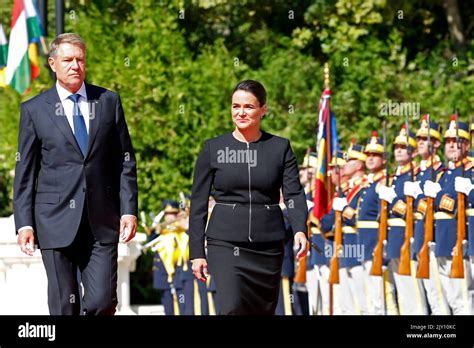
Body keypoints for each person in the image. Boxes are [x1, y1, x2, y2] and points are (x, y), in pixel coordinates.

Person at [13, 33, 138, 315]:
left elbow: (125, 160)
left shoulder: (108, 101)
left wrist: (129, 210)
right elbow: (25, 171)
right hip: (54, 221)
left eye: (80, 59)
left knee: (102, 302)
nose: (75, 65)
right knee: (63, 305)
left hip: (103, 221)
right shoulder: (34, 110)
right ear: (52, 63)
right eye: (68, 60)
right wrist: (24, 223)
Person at [189, 80, 309, 315]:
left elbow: (294, 193)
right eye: (235, 106)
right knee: (232, 307)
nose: (240, 112)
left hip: (268, 246)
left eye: (248, 107)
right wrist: (196, 253)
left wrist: (300, 229)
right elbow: (199, 203)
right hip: (225, 243)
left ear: (263, 110)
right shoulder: (213, 148)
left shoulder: (280, 147)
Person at [378, 124, 428, 315]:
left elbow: (423, 209)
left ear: (413, 152)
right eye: (396, 147)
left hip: (407, 239)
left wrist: (395, 202)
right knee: (401, 295)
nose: (399, 150)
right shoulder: (394, 178)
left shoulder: (415, 176)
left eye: (404, 147)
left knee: (413, 295)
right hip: (392, 240)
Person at [426, 115, 472, 314]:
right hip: (442, 241)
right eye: (449, 142)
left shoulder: (470, 171)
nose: (452, 146)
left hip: (459, 240)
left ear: (467, 145)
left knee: (463, 299)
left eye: (457, 142)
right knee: (451, 299)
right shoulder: (443, 175)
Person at [410, 115, 449, 315]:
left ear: (435, 143)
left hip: (432, 237)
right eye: (419, 139)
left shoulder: (440, 172)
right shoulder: (417, 172)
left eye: (425, 139)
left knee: (439, 296)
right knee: (427, 293)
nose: (421, 143)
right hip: (417, 236)